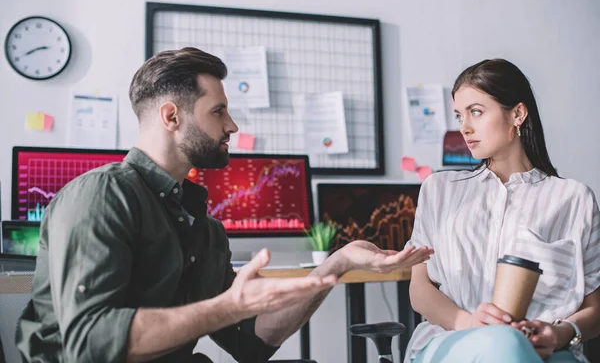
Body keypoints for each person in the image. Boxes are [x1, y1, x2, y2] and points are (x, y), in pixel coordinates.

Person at [15, 47, 434, 363]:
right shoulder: (103, 196)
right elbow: (90, 344)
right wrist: (226, 306)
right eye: (219, 112)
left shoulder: (204, 227)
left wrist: (336, 264)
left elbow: (248, 342)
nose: (232, 125)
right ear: (171, 116)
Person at [405, 59, 600, 363]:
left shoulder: (575, 200)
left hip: (546, 352)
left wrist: (559, 334)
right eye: (459, 115)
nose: (464, 127)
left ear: (518, 114)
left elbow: (594, 308)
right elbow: (420, 288)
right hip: (451, 343)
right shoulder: (438, 191)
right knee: (504, 347)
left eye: (476, 112)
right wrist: (469, 324)